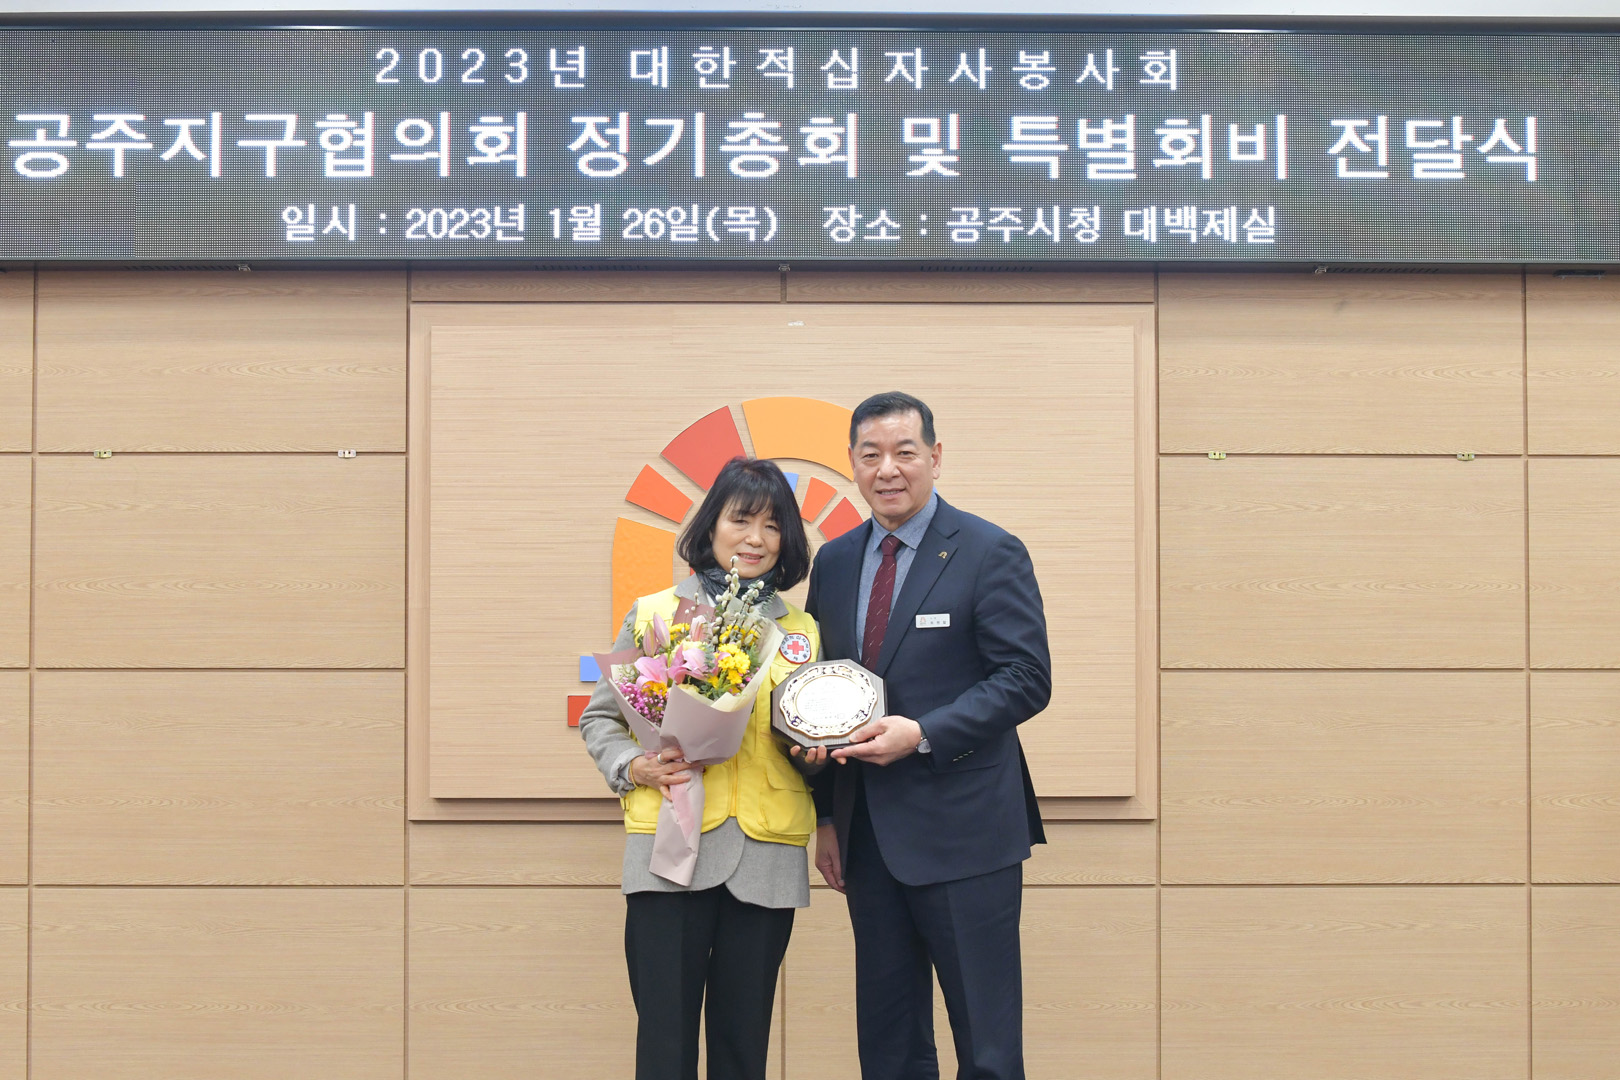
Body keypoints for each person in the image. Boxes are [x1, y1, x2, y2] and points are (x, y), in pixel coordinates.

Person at [804, 392, 1051, 1080]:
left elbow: (1026, 677)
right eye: (871, 455)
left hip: (966, 833)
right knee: (889, 1044)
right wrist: (825, 816)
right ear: (852, 463)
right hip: (867, 836)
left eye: (904, 452)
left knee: (987, 1045)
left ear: (935, 458)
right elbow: (821, 690)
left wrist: (922, 732)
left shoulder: (990, 550)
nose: (888, 469)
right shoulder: (836, 562)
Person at [579, 457, 824, 1080]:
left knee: (744, 1048)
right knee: (665, 1045)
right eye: (741, 520)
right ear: (711, 524)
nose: (756, 538)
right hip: (669, 852)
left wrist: (819, 755)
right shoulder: (657, 612)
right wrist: (634, 766)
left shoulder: (803, 631)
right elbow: (601, 719)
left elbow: (816, 733)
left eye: (773, 525)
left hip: (765, 854)